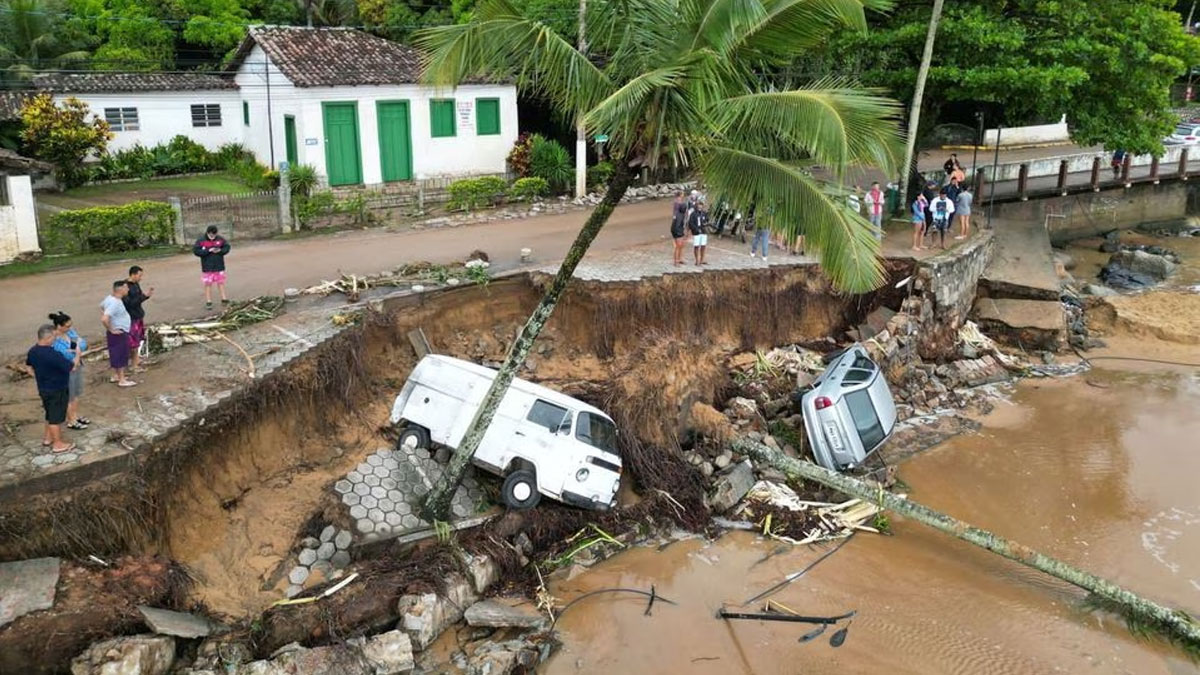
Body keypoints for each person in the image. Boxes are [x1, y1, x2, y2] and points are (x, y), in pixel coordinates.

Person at [26, 324, 75, 453]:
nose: (55, 339)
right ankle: (58, 444)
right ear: (48, 337)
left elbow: (29, 367)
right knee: (56, 418)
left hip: (43, 388)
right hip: (57, 388)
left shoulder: (33, 351)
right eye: (54, 336)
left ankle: (48, 438)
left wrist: (40, 376)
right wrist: (77, 355)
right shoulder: (53, 354)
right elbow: (70, 367)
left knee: (49, 413)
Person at [49, 312, 89, 431]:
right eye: (67, 326)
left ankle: (75, 415)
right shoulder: (54, 339)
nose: (70, 328)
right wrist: (75, 348)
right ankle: (71, 420)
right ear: (59, 326)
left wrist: (75, 348)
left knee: (76, 393)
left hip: (76, 366)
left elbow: (83, 344)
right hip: (66, 370)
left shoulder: (70, 333)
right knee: (69, 396)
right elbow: (64, 353)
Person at [101, 280, 136, 387]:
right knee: (120, 354)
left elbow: (102, 306)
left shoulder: (109, 298)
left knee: (116, 353)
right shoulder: (115, 302)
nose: (128, 289)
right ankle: (122, 379)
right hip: (118, 332)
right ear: (120, 289)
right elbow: (104, 318)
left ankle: (117, 375)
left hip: (117, 331)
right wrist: (112, 329)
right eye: (126, 288)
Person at [123, 265, 153, 373]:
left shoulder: (136, 284)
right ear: (133, 274)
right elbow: (129, 303)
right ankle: (134, 364)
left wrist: (145, 296)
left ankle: (137, 359)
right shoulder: (125, 287)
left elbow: (138, 298)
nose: (141, 278)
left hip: (138, 315)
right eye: (139, 275)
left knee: (138, 339)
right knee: (133, 342)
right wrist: (143, 296)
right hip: (131, 317)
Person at [194, 225, 231, 310]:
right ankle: (209, 301)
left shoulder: (220, 239)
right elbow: (196, 251)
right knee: (208, 284)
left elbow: (227, 247)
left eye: (214, 235)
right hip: (207, 266)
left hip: (219, 265)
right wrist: (207, 251)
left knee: (220, 282)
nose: (212, 237)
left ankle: (224, 299)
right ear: (208, 233)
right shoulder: (201, 241)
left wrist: (220, 251)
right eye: (211, 235)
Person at [687, 197, 708, 265]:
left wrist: (705, 223)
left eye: (701, 206)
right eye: (698, 205)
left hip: (703, 231)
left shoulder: (704, 213)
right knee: (696, 246)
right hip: (696, 232)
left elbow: (707, 220)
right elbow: (690, 223)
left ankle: (702, 259)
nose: (700, 207)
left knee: (703, 246)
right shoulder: (693, 214)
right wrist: (695, 229)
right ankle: (697, 260)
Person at [670, 192, 687, 266]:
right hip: (677, 229)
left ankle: (679, 259)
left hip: (679, 228)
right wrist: (678, 233)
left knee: (681, 245)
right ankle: (676, 261)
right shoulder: (678, 214)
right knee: (678, 245)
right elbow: (676, 224)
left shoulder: (681, 214)